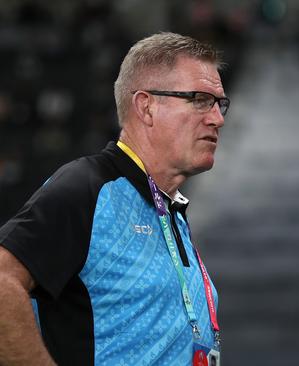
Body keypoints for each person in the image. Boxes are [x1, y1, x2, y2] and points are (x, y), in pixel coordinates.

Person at [0, 32, 229, 365]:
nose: (217, 118)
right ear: (146, 107)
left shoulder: (170, 210)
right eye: (200, 100)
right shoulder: (87, 188)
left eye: (220, 104)